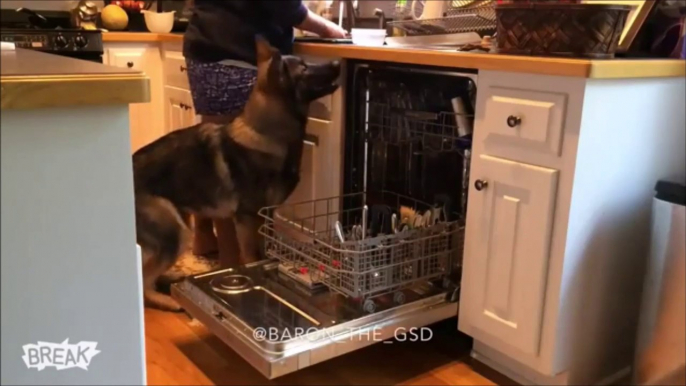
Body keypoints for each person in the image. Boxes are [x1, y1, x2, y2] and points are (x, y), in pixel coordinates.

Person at [183, 0, 347, 266]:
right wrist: (329, 29)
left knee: (219, 157)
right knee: (234, 169)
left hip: (208, 46)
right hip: (236, 50)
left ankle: (206, 238)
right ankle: (232, 266)